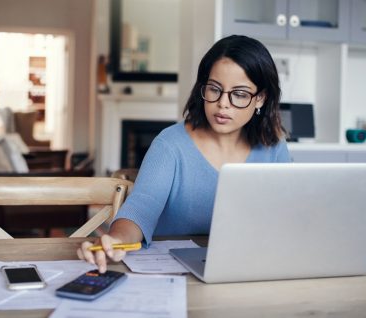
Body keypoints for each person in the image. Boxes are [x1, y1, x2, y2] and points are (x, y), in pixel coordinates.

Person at [78, 35, 290, 272]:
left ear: (260, 98)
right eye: (215, 89)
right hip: (173, 273)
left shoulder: (274, 147)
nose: (223, 104)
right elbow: (141, 208)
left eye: (239, 94)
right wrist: (116, 240)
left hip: (246, 268)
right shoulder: (170, 145)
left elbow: (287, 216)